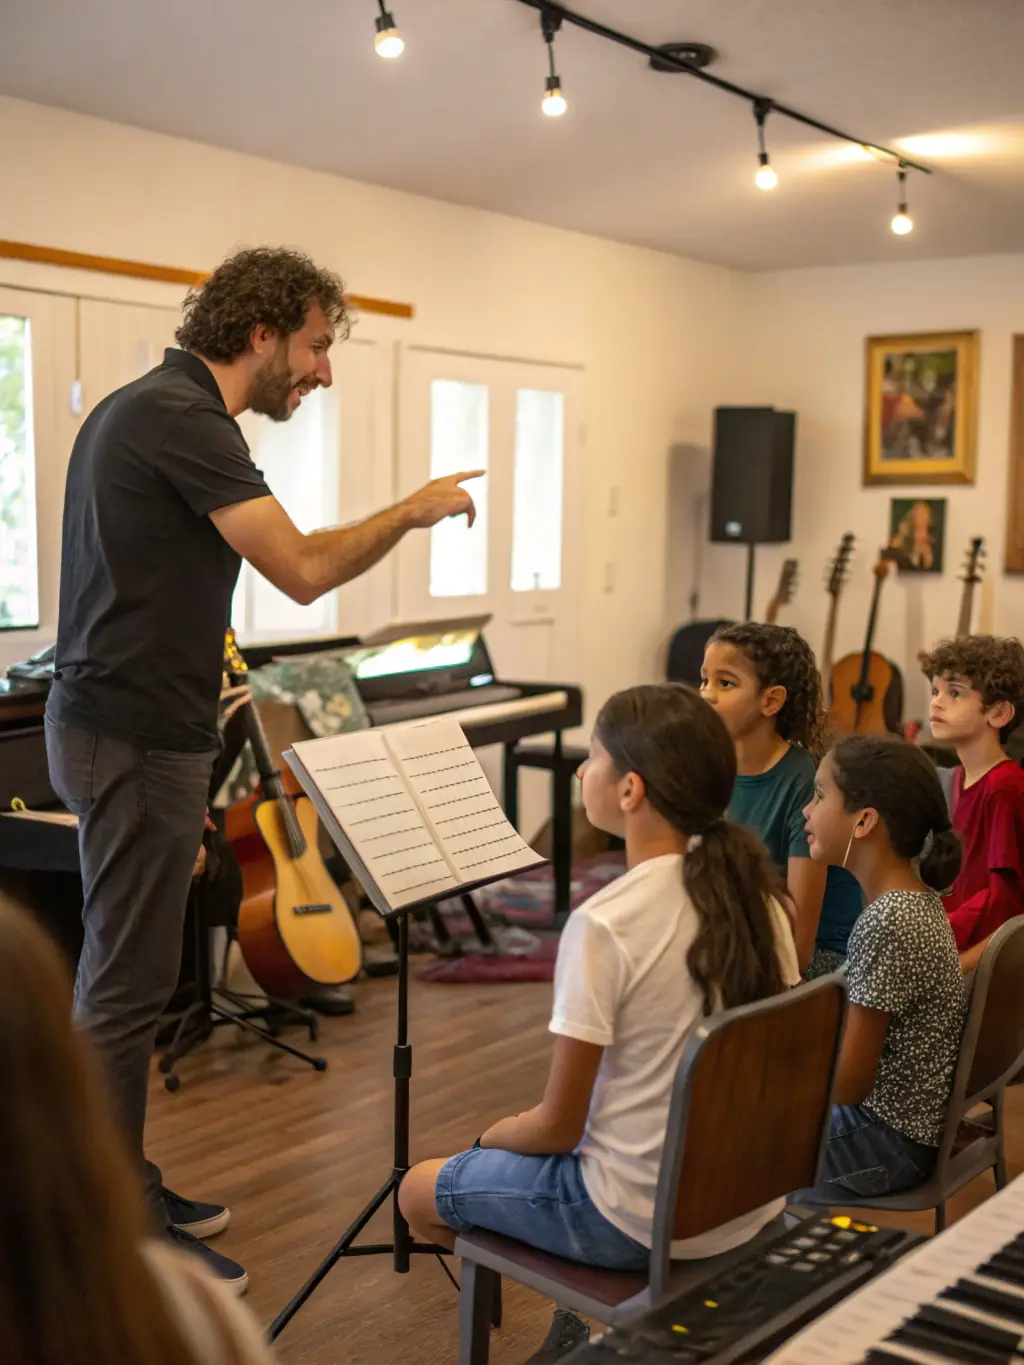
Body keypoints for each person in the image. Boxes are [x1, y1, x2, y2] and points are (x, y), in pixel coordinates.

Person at [46, 246, 482, 1287]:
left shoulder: (156, 411)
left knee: (134, 978)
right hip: (132, 736)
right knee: (124, 987)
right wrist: (409, 511)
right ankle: (106, 1224)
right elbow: (300, 568)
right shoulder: (179, 416)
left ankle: (125, 1183)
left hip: (145, 734)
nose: (322, 372)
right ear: (262, 333)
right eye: (319, 346)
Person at [399, 683, 800, 1355]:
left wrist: (487, 1136)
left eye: (593, 757)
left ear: (630, 790)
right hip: (750, 1202)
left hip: (635, 1218)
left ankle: (588, 1325)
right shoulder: (763, 898)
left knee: (417, 1190)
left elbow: (558, 1125)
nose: (583, 770)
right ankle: (582, 1326)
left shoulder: (605, 922)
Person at [0, 892, 276, 1365]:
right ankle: (131, 1207)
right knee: (121, 989)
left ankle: (137, 1182)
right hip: (171, 1310)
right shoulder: (198, 1316)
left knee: (136, 985)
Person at [800, 736, 967, 1197]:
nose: (806, 812)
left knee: (728, 1138)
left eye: (818, 796)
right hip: (899, 1134)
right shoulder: (913, 902)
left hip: (883, 1143)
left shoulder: (889, 920)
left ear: (865, 821)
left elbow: (850, 1085)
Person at [700, 623, 863, 975]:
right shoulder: (709, 765)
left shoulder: (804, 782)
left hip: (819, 960)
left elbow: (800, 950)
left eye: (724, 683)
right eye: (704, 680)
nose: (707, 694)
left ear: (770, 700)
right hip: (749, 935)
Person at [921, 634, 1024, 971]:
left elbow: (1004, 902)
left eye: (954, 693)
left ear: (998, 713)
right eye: (935, 691)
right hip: (955, 942)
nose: (936, 702)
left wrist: (939, 943)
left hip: (983, 961)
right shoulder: (961, 778)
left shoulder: (1003, 786)